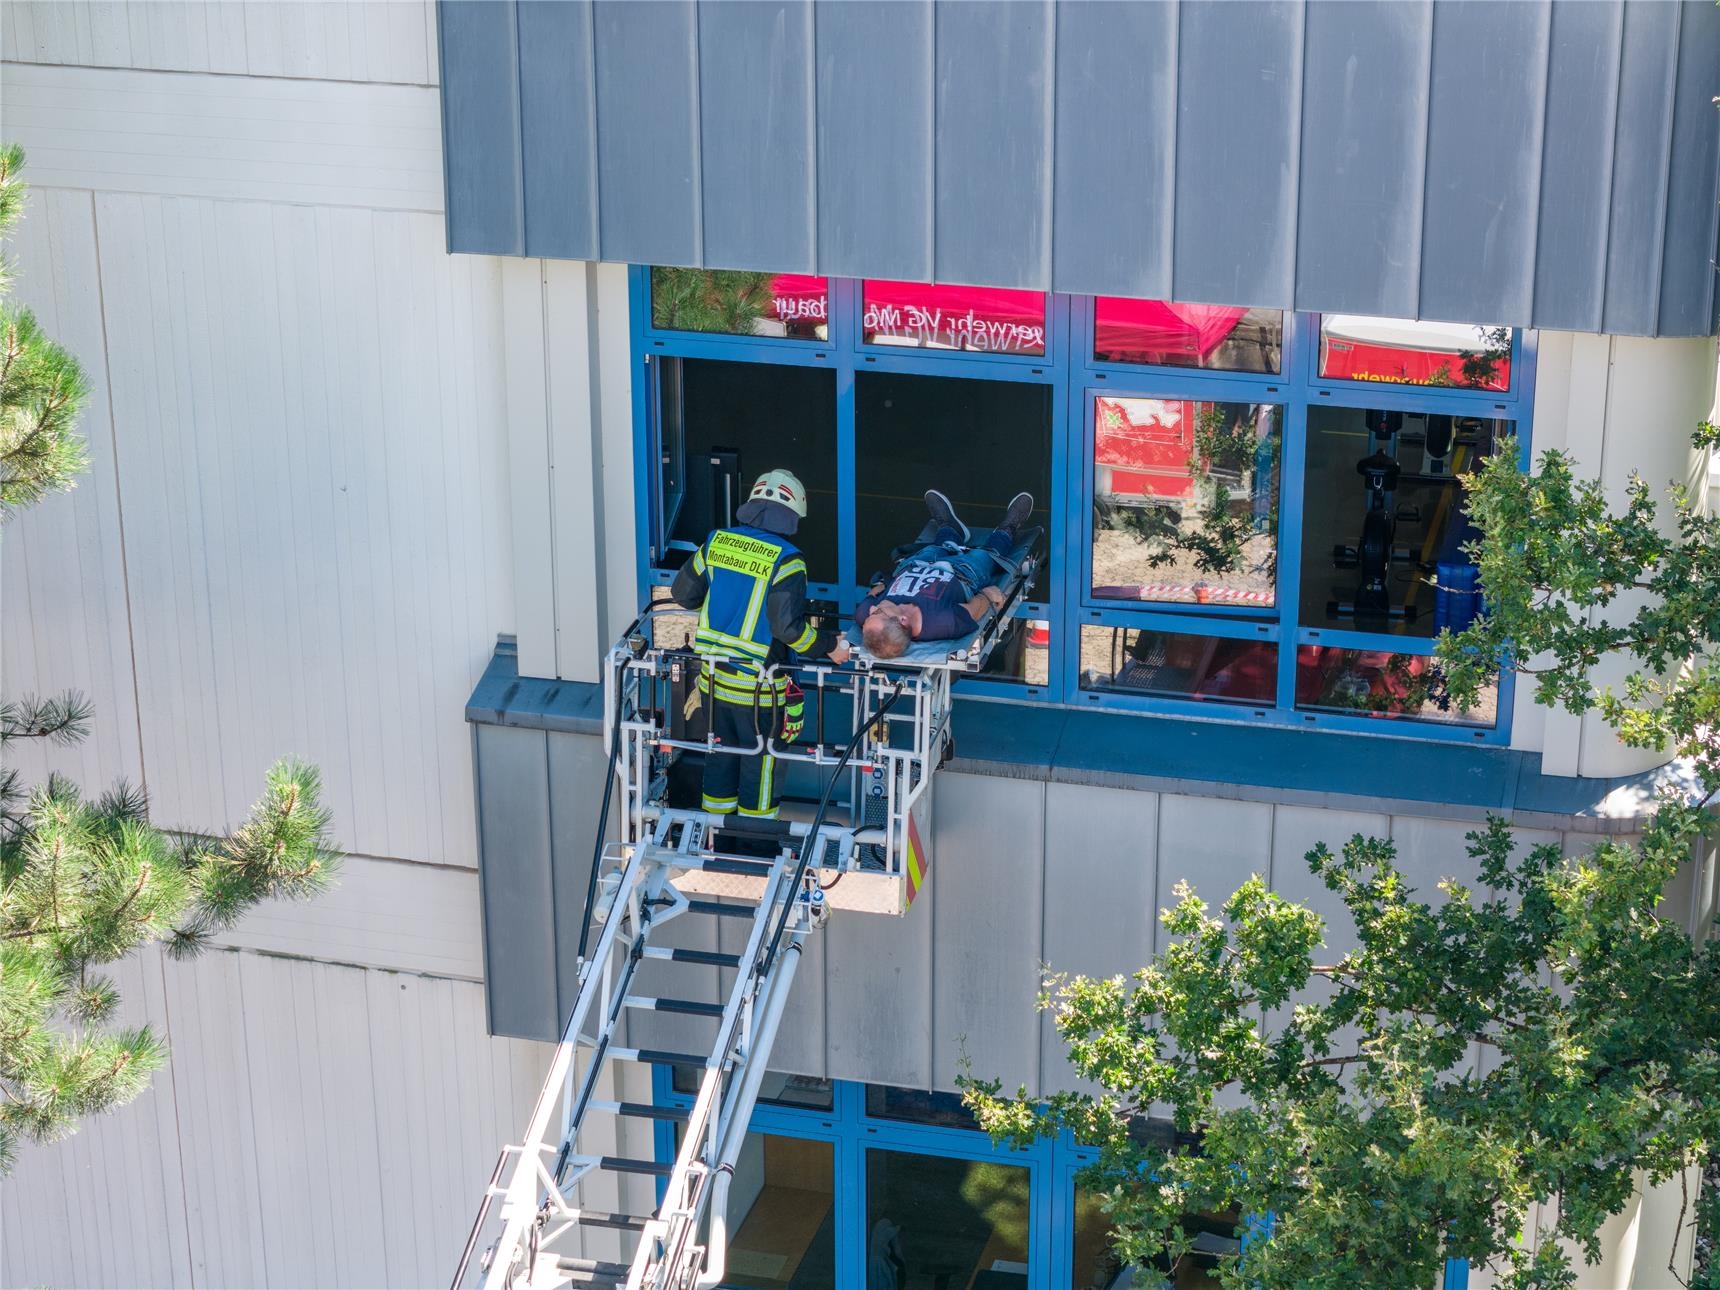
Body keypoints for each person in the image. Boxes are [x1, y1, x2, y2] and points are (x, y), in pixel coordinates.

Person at [670, 468, 851, 820]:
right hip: (759, 694)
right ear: (792, 513)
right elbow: (789, 630)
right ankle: (754, 848)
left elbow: (682, 594)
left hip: (712, 686)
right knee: (761, 773)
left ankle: (716, 838)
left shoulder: (717, 541)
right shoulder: (787, 559)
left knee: (719, 763)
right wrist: (830, 645)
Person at [855, 489, 1034, 660]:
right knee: (986, 556)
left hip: (916, 566)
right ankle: (1008, 529)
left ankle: (951, 529)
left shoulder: (866, 616)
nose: (872, 608)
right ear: (903, 620)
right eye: (878, 611)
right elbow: (975, 609)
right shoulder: (943, 622)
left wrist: (883, 586)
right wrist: (988, 595)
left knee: (935, 548)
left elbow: (872, 595)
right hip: (963, 573)